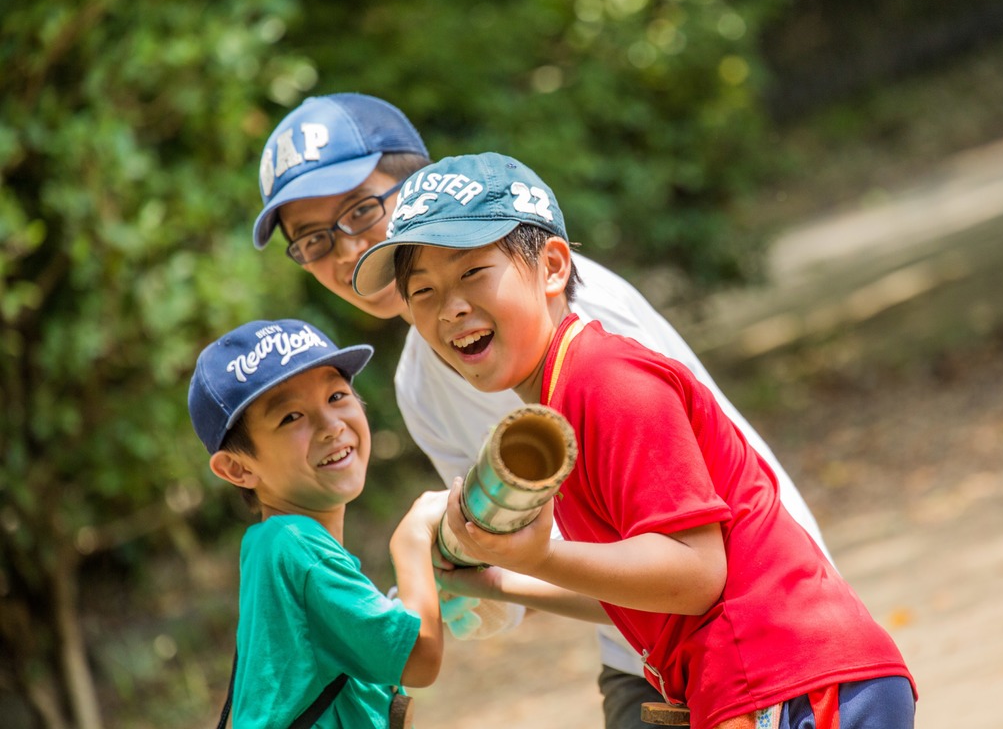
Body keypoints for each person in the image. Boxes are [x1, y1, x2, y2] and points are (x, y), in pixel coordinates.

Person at [251, 92, 835, 727]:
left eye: (361, 210)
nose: (342, 249)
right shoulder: (422, 381)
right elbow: (541, 553)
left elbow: (700, 561)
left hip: (761, 629)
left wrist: (520, 562)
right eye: (311, 239)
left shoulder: (573, 320)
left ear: (418, 185)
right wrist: (474, 577)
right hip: (649, 646)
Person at [353, 152, 918, 729]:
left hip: (794, 680)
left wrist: (542, 554)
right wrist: (498, 578)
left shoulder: (606, 380)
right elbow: (640, 594)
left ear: (552, 267)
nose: (450, 308)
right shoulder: (562, 398)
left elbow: (696, 577)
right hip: (762, 679)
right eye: (422, 292)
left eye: (472, 273)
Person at [187, 318, 445, 727]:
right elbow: (420, 658)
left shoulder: (268, 546)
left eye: (337, 395)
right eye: (291, 417)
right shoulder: (296, 546)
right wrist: (413, 539)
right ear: (237, 468)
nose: (331, 425)